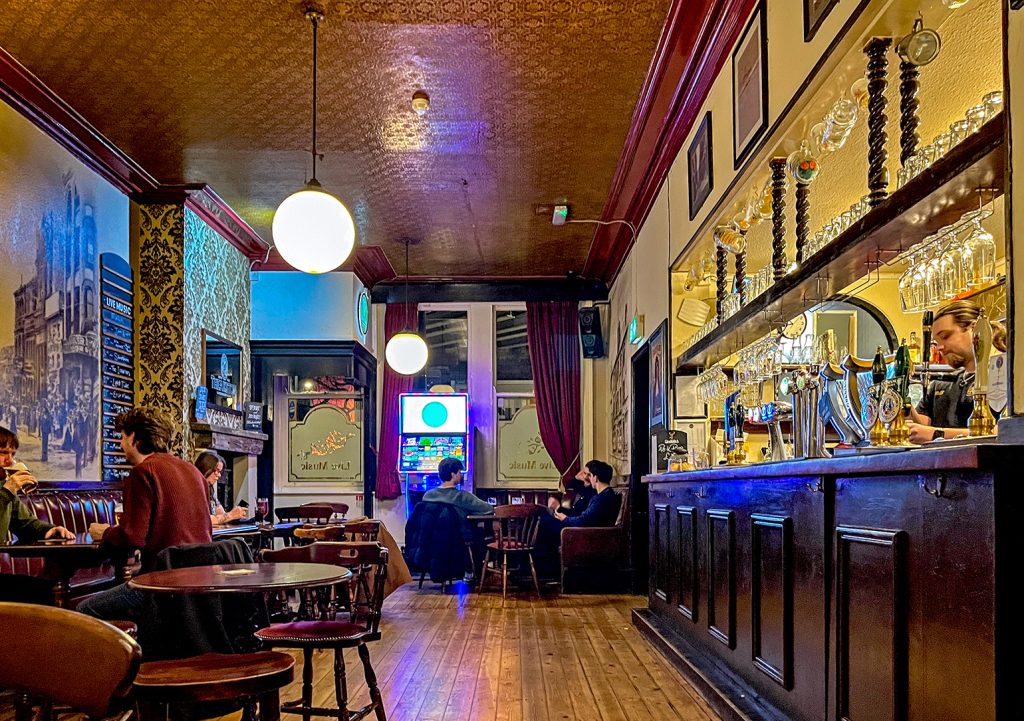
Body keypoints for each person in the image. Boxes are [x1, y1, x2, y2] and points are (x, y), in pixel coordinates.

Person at [79, 407, 213, 620]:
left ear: (133, 438)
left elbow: (132, 537)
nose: (121, 445)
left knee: (84, 611)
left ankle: (128, 651)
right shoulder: (193, 472)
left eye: (122, 437)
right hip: (200, 580)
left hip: (160, 583)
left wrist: (104, 532)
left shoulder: (143, 473)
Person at [908, 300, 1007, 444]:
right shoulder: (942, 384)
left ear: (975, 329)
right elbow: (923, 427)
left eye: (946, 336)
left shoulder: (1003, 375)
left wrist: (937, 434)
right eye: (936, 342)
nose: (939, 347)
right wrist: (902, 406)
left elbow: (1005, 431)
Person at [1, 426, 74, 602]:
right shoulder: (5, 492)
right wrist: (7, 491)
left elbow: (26, 523)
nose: (10, 461)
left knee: (45, 590)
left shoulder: (4, 490)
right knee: (39, 593)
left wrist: (50, 530)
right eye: (4, 453)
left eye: (13, 454)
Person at [422, 457, 494, 518]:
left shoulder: (427, 495)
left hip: (431, 535)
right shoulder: (462, 497)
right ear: (453, 475)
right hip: (456, 534)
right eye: (459, 472)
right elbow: (488, 509)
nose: (461, 475)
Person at [195, 450, 246, 525]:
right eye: (217, 471)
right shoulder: (194, 489)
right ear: (206, 468)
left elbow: (222, 513)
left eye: (220, 472)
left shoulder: (210, 490)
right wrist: (230, 515)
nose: (219, 475)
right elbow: (203, 520)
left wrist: (235, 515)